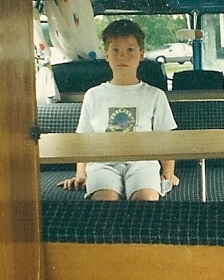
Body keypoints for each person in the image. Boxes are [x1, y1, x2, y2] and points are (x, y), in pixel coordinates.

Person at [58, 19, 179, 201]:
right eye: (115, 50)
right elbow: (84, 139)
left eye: (130, 50)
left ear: (141, 54)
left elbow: (166, 138)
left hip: (143, 163)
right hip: (102, 164)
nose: (122, 56)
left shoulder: (155, 95)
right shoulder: (93, 95)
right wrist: (81, 173)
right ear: (106, 54)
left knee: (146, 198)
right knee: (105, 198)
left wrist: (168, 172)